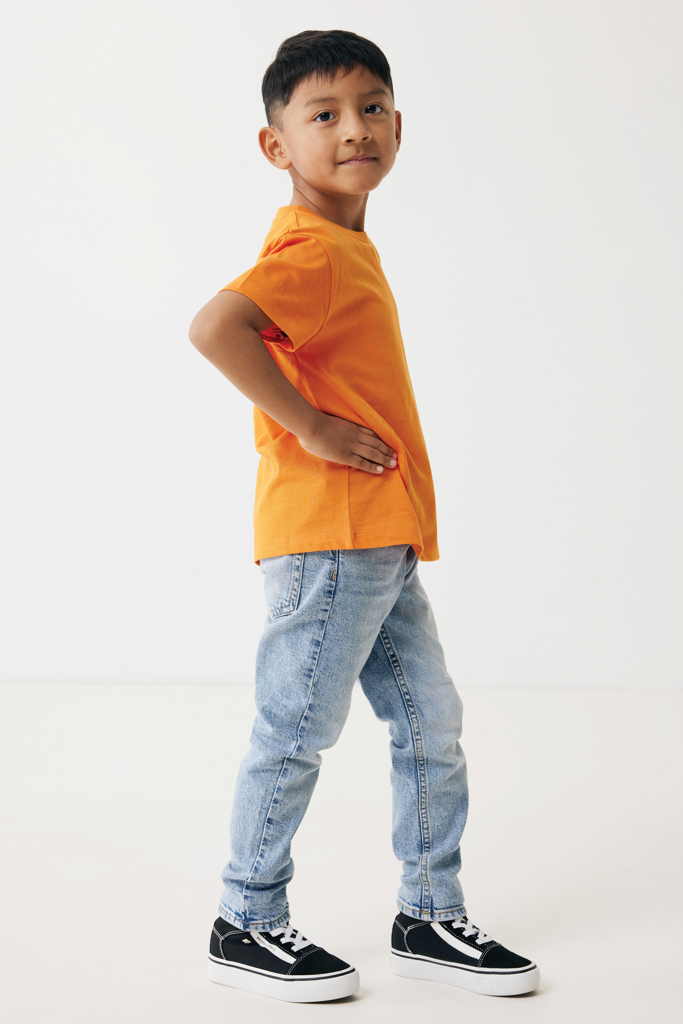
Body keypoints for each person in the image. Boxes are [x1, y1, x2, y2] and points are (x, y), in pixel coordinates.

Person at [188, 28, 540, 1004]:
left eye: (371, 108)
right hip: (332, 541)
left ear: (398, 125)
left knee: (429, 723)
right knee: (293, 730)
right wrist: (309, 426)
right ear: (276, 145)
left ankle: (428, 912)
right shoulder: (312, 251)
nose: (355, 129)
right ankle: (245, 917)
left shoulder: (344, 247)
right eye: (324, 114)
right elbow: (215, 327)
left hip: (374, 541)